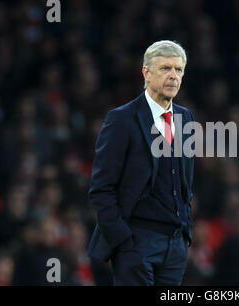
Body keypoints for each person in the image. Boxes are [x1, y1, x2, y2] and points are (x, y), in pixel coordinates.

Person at [86, 40, 195, 286]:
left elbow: (185, 182)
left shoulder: (186, 118)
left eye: (179, 70)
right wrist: (124, 241)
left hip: (175, 245)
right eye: (166, 68)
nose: (173, 76)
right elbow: (101, 188)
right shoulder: (122, 119)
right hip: (137, 241)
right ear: (146, 72)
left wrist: (185, 234)